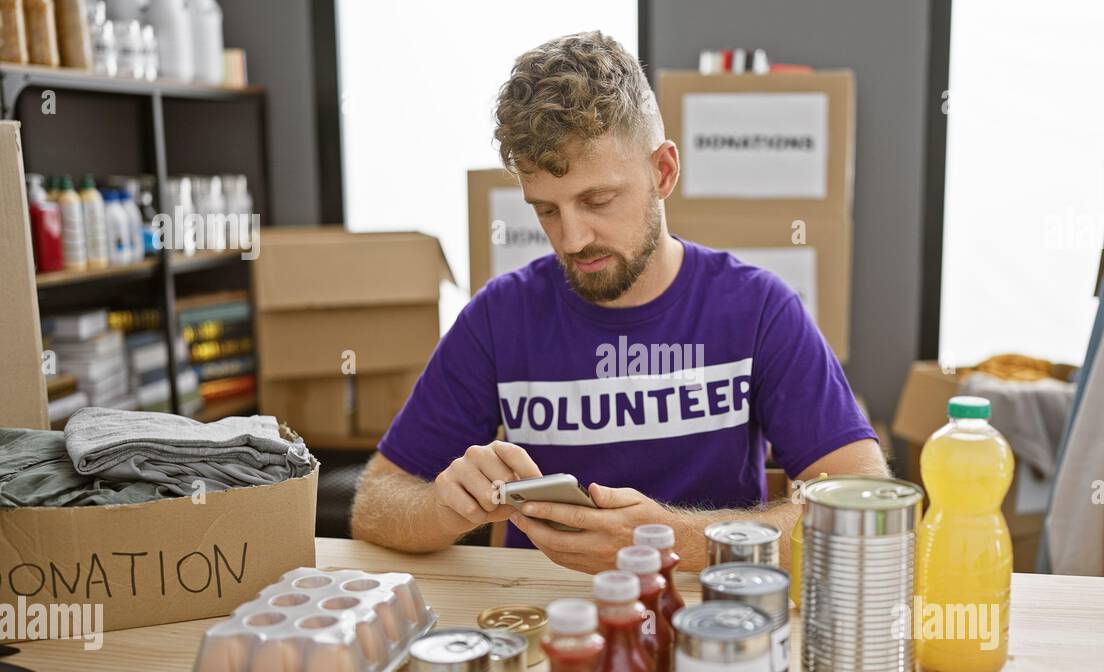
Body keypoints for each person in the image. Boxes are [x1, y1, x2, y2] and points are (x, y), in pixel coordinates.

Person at [351, 31, 887, 574]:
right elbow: (373, 504)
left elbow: (865, 507)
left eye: (597, 200)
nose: (572, 239)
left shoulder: (759, 309)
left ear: (664, 172)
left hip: (708, 617)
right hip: (547, 623)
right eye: (546, 211)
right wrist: (442, 508)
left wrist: (674, 540)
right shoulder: (499, 317)